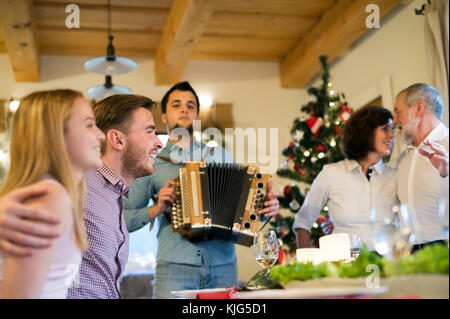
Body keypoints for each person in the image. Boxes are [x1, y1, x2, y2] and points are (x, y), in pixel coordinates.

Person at [123, 81, 280, 299]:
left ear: (197, 117)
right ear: (165, 117)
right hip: (174, 267)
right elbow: (125, 219)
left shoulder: (221, 155)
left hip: (223, 266)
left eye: (190, 105)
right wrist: (157, 208)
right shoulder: (151, 162)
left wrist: (265, 208)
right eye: (176, 104)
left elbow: (244, 217)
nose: (184, 109)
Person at [0, 89, 105, 298]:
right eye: (89, 125)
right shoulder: (50, 197)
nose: (100, 135)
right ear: (56, 134)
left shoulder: (57, 195)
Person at [66, 94, 163, 298]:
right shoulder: (77, 187)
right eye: (149, 131)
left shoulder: (115, 196)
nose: (159, 143)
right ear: (117, 139)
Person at [293, 106, 398, 251]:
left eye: (392, 129)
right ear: (366, 131)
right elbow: (302, 223)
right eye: (385, 128)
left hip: (388, 265)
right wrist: (304, 264)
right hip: (345, 266)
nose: (392, 135)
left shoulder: (395, 176)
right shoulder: (331, 173)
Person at [393, 83, 449, 251]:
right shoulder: (403, 160)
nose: (394, 120)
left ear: (418, 108)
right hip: (410, 255)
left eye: (397, 111)